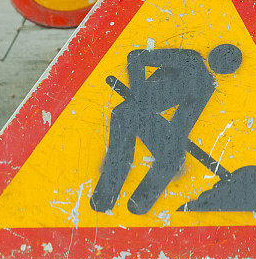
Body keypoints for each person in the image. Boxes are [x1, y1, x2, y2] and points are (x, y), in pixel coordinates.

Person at [90, 44, 242, 215]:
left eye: (229, 63)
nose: (223, 63)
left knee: (171, 158)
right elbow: (135, 56)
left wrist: (174, 141)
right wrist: (139, 95)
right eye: (223, 57)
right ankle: (103, 198)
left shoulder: (206, 85)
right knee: (121, 154)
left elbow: (183, 122)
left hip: (148, 121)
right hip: (127, 113)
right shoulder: (190, 59)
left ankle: (139, 203)